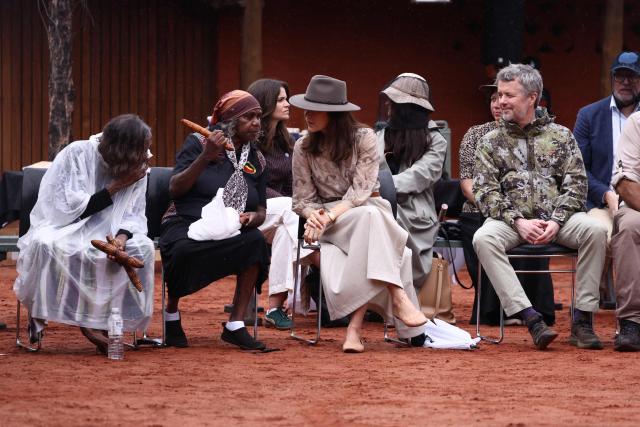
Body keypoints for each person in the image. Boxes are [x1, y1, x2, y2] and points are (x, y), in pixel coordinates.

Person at [472, 64, 607, 350]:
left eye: (509, 95)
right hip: (511, 223)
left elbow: (577, 186)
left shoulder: (561, 136)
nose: (501, 101)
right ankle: (530, 318)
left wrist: (557, 221)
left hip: (559, 221)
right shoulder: (489, 141)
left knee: (595, 230)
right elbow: (485, 192)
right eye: (499, 95)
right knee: (483, 237)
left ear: (532, 97)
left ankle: (582, 321)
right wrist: (518, 221)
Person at [290, 75, 428, 353]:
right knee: (382, 232)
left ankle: (354, 330)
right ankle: (397, 294)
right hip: (328, 217)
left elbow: (360, 193)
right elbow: (301, 199)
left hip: (362, 208)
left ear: (334, 114)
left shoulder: (364, 137)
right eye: (306, 108)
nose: (307, 115)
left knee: (369, 217)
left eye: (314, 109)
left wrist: (328, 217)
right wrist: (315, 215)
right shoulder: (302, 146)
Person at [13, 114, 155, 354]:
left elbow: (134, 213)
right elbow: (68, 210)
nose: (143, 157)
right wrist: (119, 184)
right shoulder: (77, 153)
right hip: (65, 225)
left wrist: (120, 240)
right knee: (48, 245)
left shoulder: (138, 165)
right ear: (119, 150)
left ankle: (111, 320)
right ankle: (81, 321)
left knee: (143, 249)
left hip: (113, 232)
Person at [159, 90, 269, 351]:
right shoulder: (199, 142)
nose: (256, 123)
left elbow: (261, 208)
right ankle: (172, 314)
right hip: (185, 220)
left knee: (256, 242)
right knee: (183, 248)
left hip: (230, 225)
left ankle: (235, 325)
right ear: (230, 122)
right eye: (248, 117)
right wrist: (205, 156)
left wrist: (254, 217)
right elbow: (175, 188)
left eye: (258, 117)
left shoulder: (258, 158)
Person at [458, 83, 556, 326]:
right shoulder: (476, 134)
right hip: (482, 207)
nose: (498, 103)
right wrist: (492, 205)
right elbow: (467, 182)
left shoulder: (542, 135)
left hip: (529, 209)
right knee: (482, 227)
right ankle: (496, 311)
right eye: (494, 98)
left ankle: (531, 306)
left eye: (505, 96)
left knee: (532, 222)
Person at [574, 51, 640, 303]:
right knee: (600, 232)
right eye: (620, 76)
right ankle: (586, 309)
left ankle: (628, 302)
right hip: (601, 201)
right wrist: (605, 193)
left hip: (638, 200)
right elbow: (578, 169)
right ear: (612, 78)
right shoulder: (589, 115)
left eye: (632, 77)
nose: (625, 82)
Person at [375, 72, 447, 291]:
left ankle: (392, 296)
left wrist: (378, 189)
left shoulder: (435, 140)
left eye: (394, 102)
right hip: (377, 204)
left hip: (414, 214)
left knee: (384, 223)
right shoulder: (379, 135)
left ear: (406, 107)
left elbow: (420, 175)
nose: (388, 105)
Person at [247, 78, 298, 330]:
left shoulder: (286, 142)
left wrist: (292, 203)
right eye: (280, 99)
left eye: (286, 98)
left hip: (280, 215)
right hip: (248, 211)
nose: (288, 104)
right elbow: (250, 184)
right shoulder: (248, 140)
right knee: (293, 214)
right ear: (266, 103)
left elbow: (290, 185)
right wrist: (290, 203)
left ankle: (275, 307)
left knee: (287, 231)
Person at [611, 111, 640, 351]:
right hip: (637, 206)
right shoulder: (637, 123)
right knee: (630, 226)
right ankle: (632, 321)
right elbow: (625, 183)